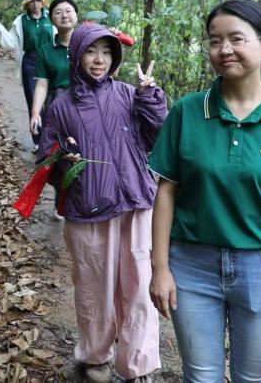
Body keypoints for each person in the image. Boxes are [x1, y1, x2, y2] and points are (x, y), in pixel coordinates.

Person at [148, 0, 261, 383]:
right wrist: (160, 268)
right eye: (215, 41)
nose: (224, 50)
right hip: (191, 266)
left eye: (236, 39)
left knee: (254, 379)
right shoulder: (187, 112)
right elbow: (166, 192)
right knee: (201, 377)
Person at [38, 23, 167, 383]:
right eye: (92, 51)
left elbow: (161, 136)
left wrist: (150, 95)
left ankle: (138, 365)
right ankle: (95, 357)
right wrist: (63, 159)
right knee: (95, 289)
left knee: (139, 288)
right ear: (77, 55)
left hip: (136, 206)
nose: (100, 60)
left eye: (107, 53)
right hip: (88, 210)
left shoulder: (130, 94)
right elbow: (45, 162)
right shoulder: (61, 107)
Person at [0, 0, 55, 139]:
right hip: (31, 62)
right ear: (27, 4)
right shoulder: (21, 20)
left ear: (43, 2)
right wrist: (0, 29)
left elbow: (60, 36)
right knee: (34, 100)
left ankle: (49, 139)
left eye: (38, 0)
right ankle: (37, 140)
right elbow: (12, 42)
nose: (35, 4)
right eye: (32, 1)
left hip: (49, 61)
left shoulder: (50, 17)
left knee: (51, 100)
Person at [28, 0, 79, 137]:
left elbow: (111, 73)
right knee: (55, 147)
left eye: (68, 11)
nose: (64, 15)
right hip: (56, 104)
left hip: (84, 102)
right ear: (51, 19)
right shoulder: (46, 50)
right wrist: (35, 113)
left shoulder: (87, 45)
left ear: (76, 16)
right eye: (58, 12)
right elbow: (42, 84)